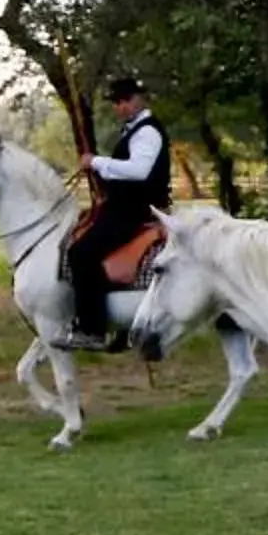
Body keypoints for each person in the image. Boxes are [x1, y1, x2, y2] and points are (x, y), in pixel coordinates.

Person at [66, 74, 172, 345]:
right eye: (117, 102)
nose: (121, 106)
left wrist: (97, 162)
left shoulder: (147, 131)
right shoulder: (133, 130)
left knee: (80, 254)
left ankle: (92, 329)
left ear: (139, 99)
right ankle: (118, 323)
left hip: (133, 211)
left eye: (125, 100)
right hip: (120, 206)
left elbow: (139, 171)